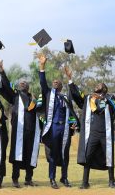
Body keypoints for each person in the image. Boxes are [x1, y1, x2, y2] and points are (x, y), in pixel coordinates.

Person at [66, 66, 115, 189]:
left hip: (106, 133)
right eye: (96, 85)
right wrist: (70, 80)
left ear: (105, 89)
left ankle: (112, 181)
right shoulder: (89, 98)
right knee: (88, 156)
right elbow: (77, 95)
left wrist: (104, 100)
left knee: (109, 156)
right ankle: (85, 182)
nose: (97, 85)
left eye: (100, 85)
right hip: (92, 133)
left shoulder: (111, 99)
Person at [0, 57, 41, 188]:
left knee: (30, 154)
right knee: (17, 155)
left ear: (28, 87)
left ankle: (28, 179)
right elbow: (7, 84)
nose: (22, 84)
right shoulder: (15, 96)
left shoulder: (33, 99)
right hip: (19, 131)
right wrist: (1, 70)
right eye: (21, 83)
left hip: (31, 132)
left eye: (25, 83)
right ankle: (15, 179)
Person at [38, 55, 78, 189]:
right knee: (53, 154)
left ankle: (64, 177)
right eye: (53, 82)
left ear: (61, 86)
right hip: (53, 128)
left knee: (65, 154)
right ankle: (52, 178)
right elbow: (42, 82)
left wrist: (73, 124)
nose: (54, 82)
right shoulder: (49, 94)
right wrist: (42, 65)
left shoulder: (66, 97)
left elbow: (71, 113)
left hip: (65, 129)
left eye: (57, 82)